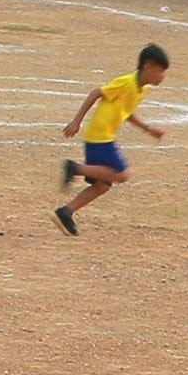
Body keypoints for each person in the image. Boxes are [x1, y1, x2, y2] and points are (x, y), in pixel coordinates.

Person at [54, 44, 168, 236]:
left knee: (102, 185)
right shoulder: (126, 83)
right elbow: (96, 93)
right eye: (161, 71)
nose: (162, 77)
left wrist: (147, 129)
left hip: (102, 136)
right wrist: (76, 121)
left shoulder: (141, 90)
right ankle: (75, 168)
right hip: (100, 136)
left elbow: (127, 112)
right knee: (122, 174)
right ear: (148, 66)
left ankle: (66, 212)